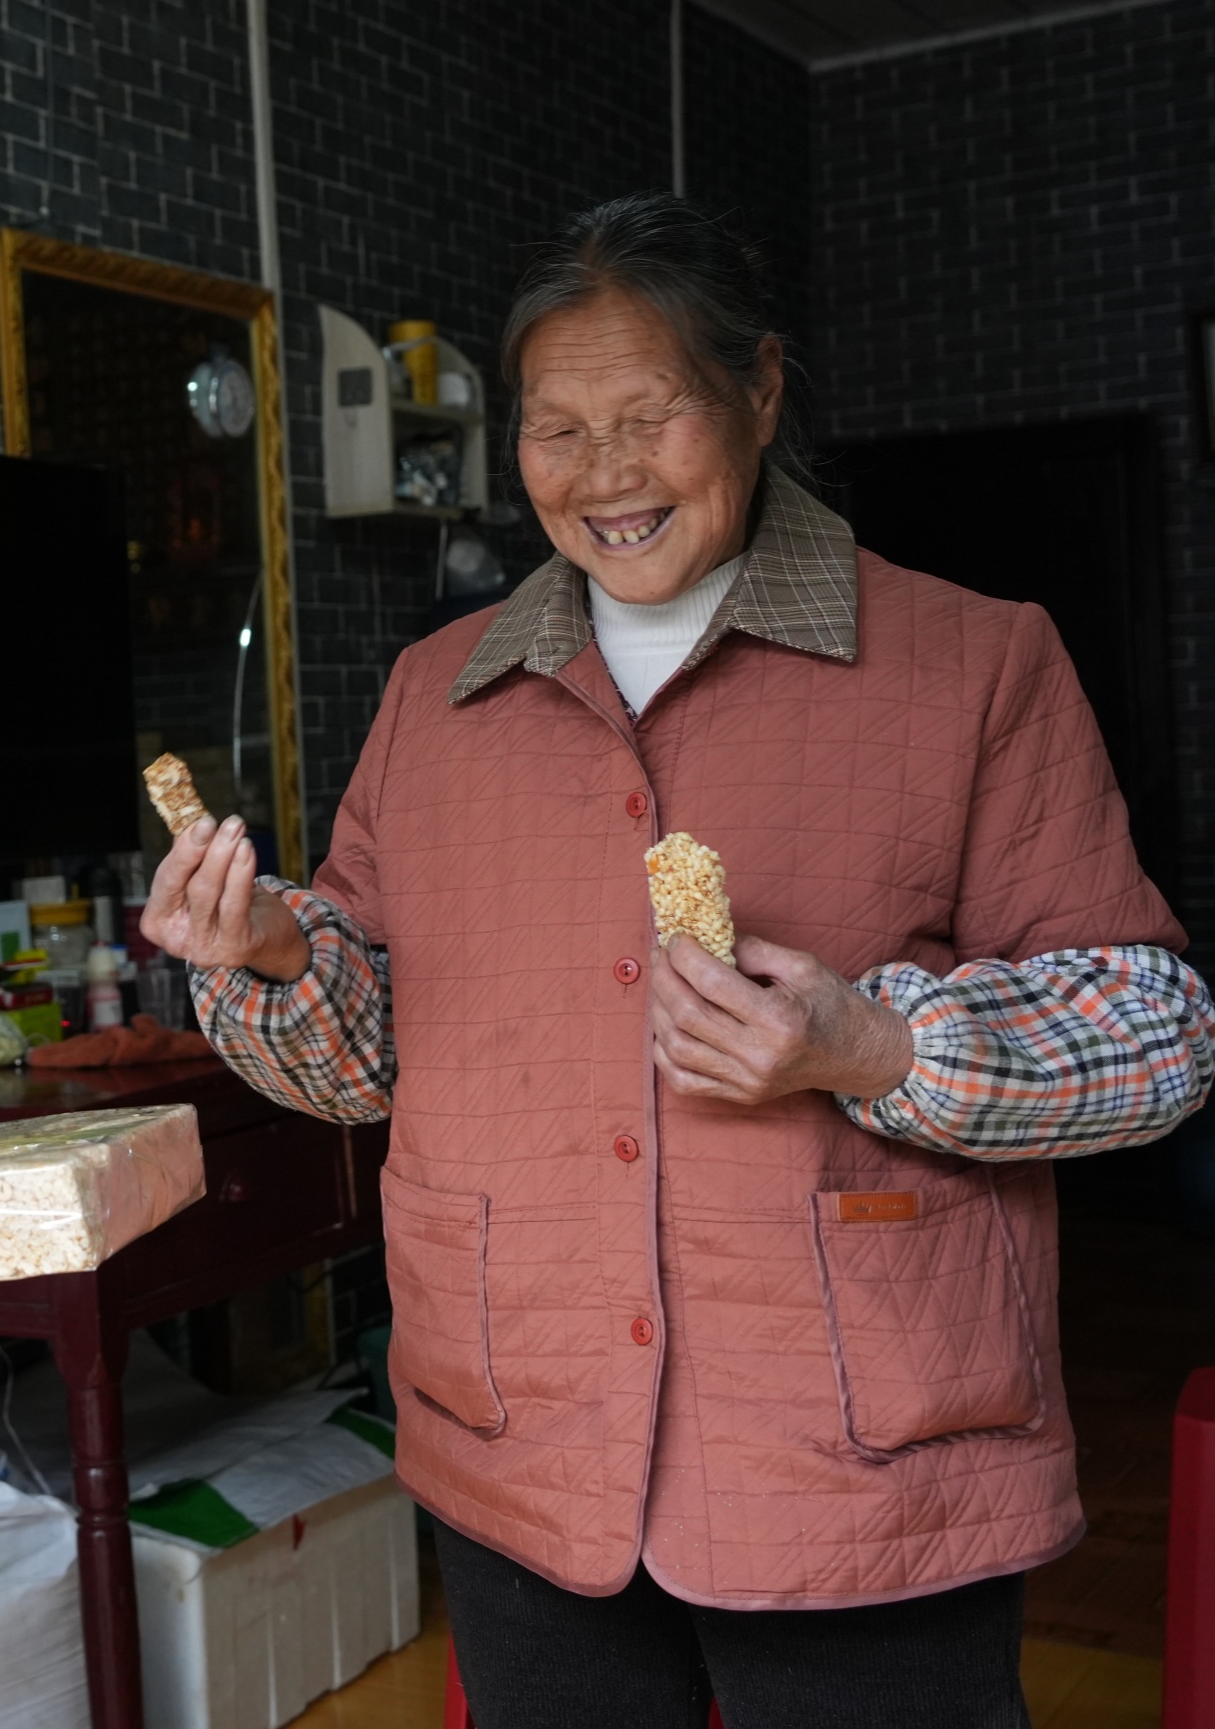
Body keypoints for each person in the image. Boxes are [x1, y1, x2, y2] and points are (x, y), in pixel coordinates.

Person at [147, 194, 1215, 1729]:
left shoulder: (973, 661)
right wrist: (262, 952)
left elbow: (1161, 1030)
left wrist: (873, 1048)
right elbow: (369, 1052)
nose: (603, 476)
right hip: (526, 1437)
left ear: (760, 392)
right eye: (555, 428)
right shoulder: (433, 697)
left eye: (649, 416)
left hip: (861, 1467)